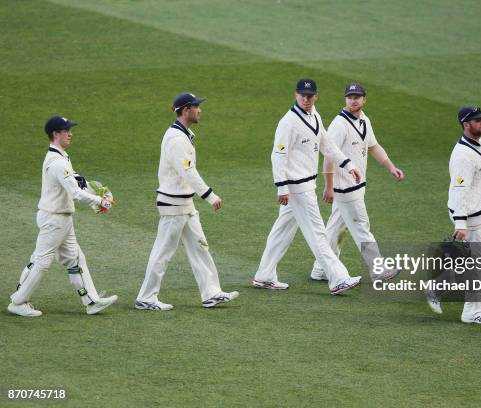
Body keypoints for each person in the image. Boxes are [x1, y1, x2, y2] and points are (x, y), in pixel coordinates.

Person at [253, 79, 363, 295]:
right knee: (318, 234)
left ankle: (264, 276)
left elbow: (326, 144)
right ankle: (338, 278)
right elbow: (278, 155)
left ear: (316, 96)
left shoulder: (314, 115)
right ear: (296, 95)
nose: (306, 99)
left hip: (305, 184)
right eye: (302, 95)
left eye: (310, 95)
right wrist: (281, 187)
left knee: (281, 231)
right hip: (297, 188)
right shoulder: (288, 122)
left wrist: (348, 164)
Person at [135, 92, 238, 310]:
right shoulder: (176, 139)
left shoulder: (184, 135)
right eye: (196, 106)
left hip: (185, 204)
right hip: (174, 206)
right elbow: (187, 171)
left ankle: (211, 292)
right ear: (185, 110)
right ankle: (146, 297)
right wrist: (210, 195)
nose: (200, 110)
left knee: (201, 247)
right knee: (163, 252)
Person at [8, 116, 117, 317]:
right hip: (54, 219)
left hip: (62, 218)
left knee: (75, 259)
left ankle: (91, 302)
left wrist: (92, 190)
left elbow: (76, 181)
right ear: (56, 134)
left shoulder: (62, 157)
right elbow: (74, 192)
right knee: (42, 262)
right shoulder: (57, 162)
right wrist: (99, 201)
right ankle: (18, 301)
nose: (70, 133)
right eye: (66, 130)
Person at [310, 83, 404, 281]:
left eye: (357, 97)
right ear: (345, 99)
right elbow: (328, 156)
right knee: (362, 227)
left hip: (357, 187)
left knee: (335, 229)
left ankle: (321, 268)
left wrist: (391, 167)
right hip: (346, 189)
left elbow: (373, 146)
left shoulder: (364, 120)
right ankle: (378, 269)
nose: (353, 100)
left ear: (364, 99)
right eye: (350, 97)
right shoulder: (339, 124)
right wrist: (328, 186)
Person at [426, 106, 481, 324]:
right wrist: (461, 223)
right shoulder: (463, 157)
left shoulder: (478, 144)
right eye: (477, 120)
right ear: (466, 125)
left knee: (469, 262)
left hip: (479, 214)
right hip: (470, 218)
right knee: (479, 265)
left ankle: (437, 288)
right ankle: (472, 311)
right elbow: (460, 190)